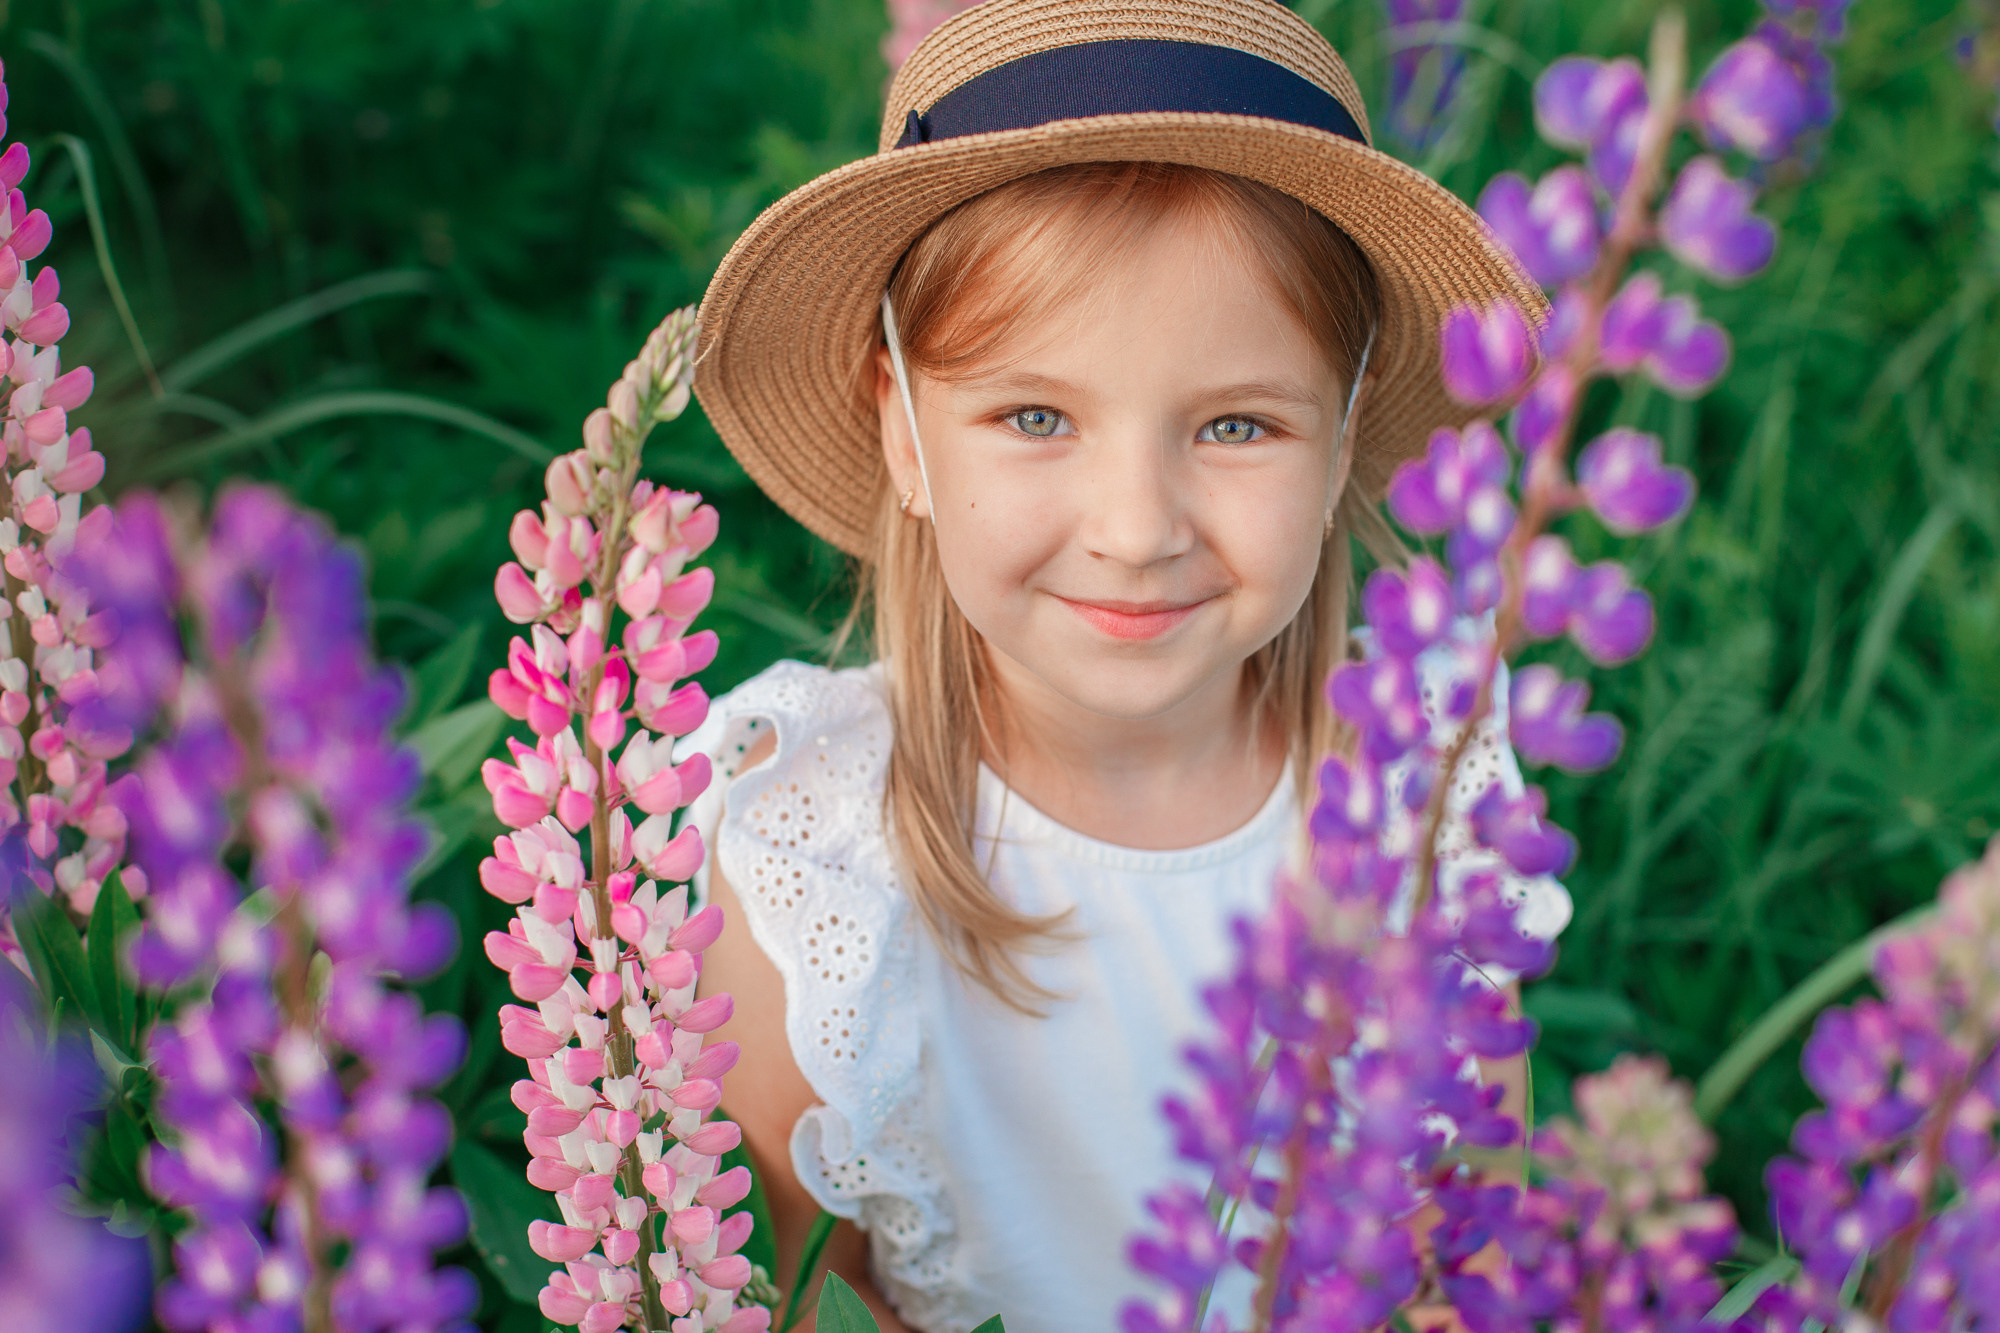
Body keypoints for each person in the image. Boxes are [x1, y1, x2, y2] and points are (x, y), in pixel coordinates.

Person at [683, 2, 1569, 1329]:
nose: (1138, 528)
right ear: (908, 437)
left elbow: (1472, 1254)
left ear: (1338, 444)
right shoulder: (813, 866)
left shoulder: (1423, 795)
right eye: (1036, 416)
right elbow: (791, 1299)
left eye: (1235, 422)